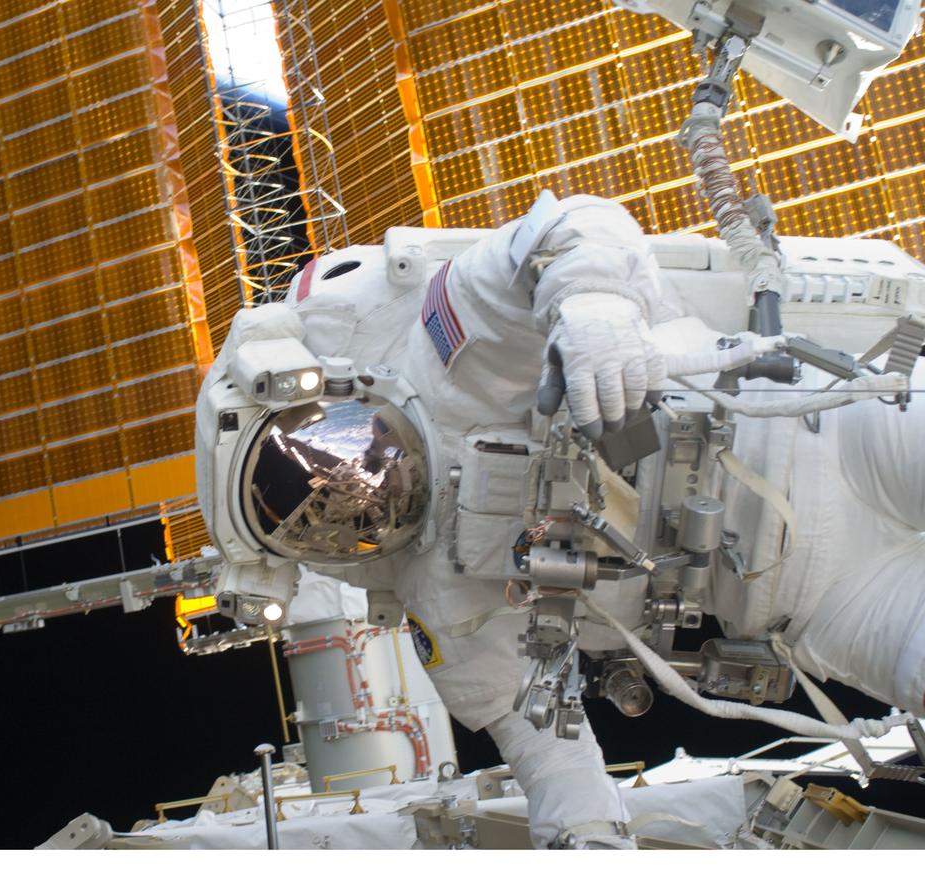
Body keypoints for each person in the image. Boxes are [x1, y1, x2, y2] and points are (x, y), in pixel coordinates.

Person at [194, 194, 924, 848]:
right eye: (333, 519)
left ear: (343, 393)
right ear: (326, 555)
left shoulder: (446, 350)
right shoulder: (444, 605)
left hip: (829, 433)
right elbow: (543, 744)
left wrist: (594, 303)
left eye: (341, 452)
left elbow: (567, 226)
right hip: (822, 601)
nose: (362, 491)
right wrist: (587, 837)